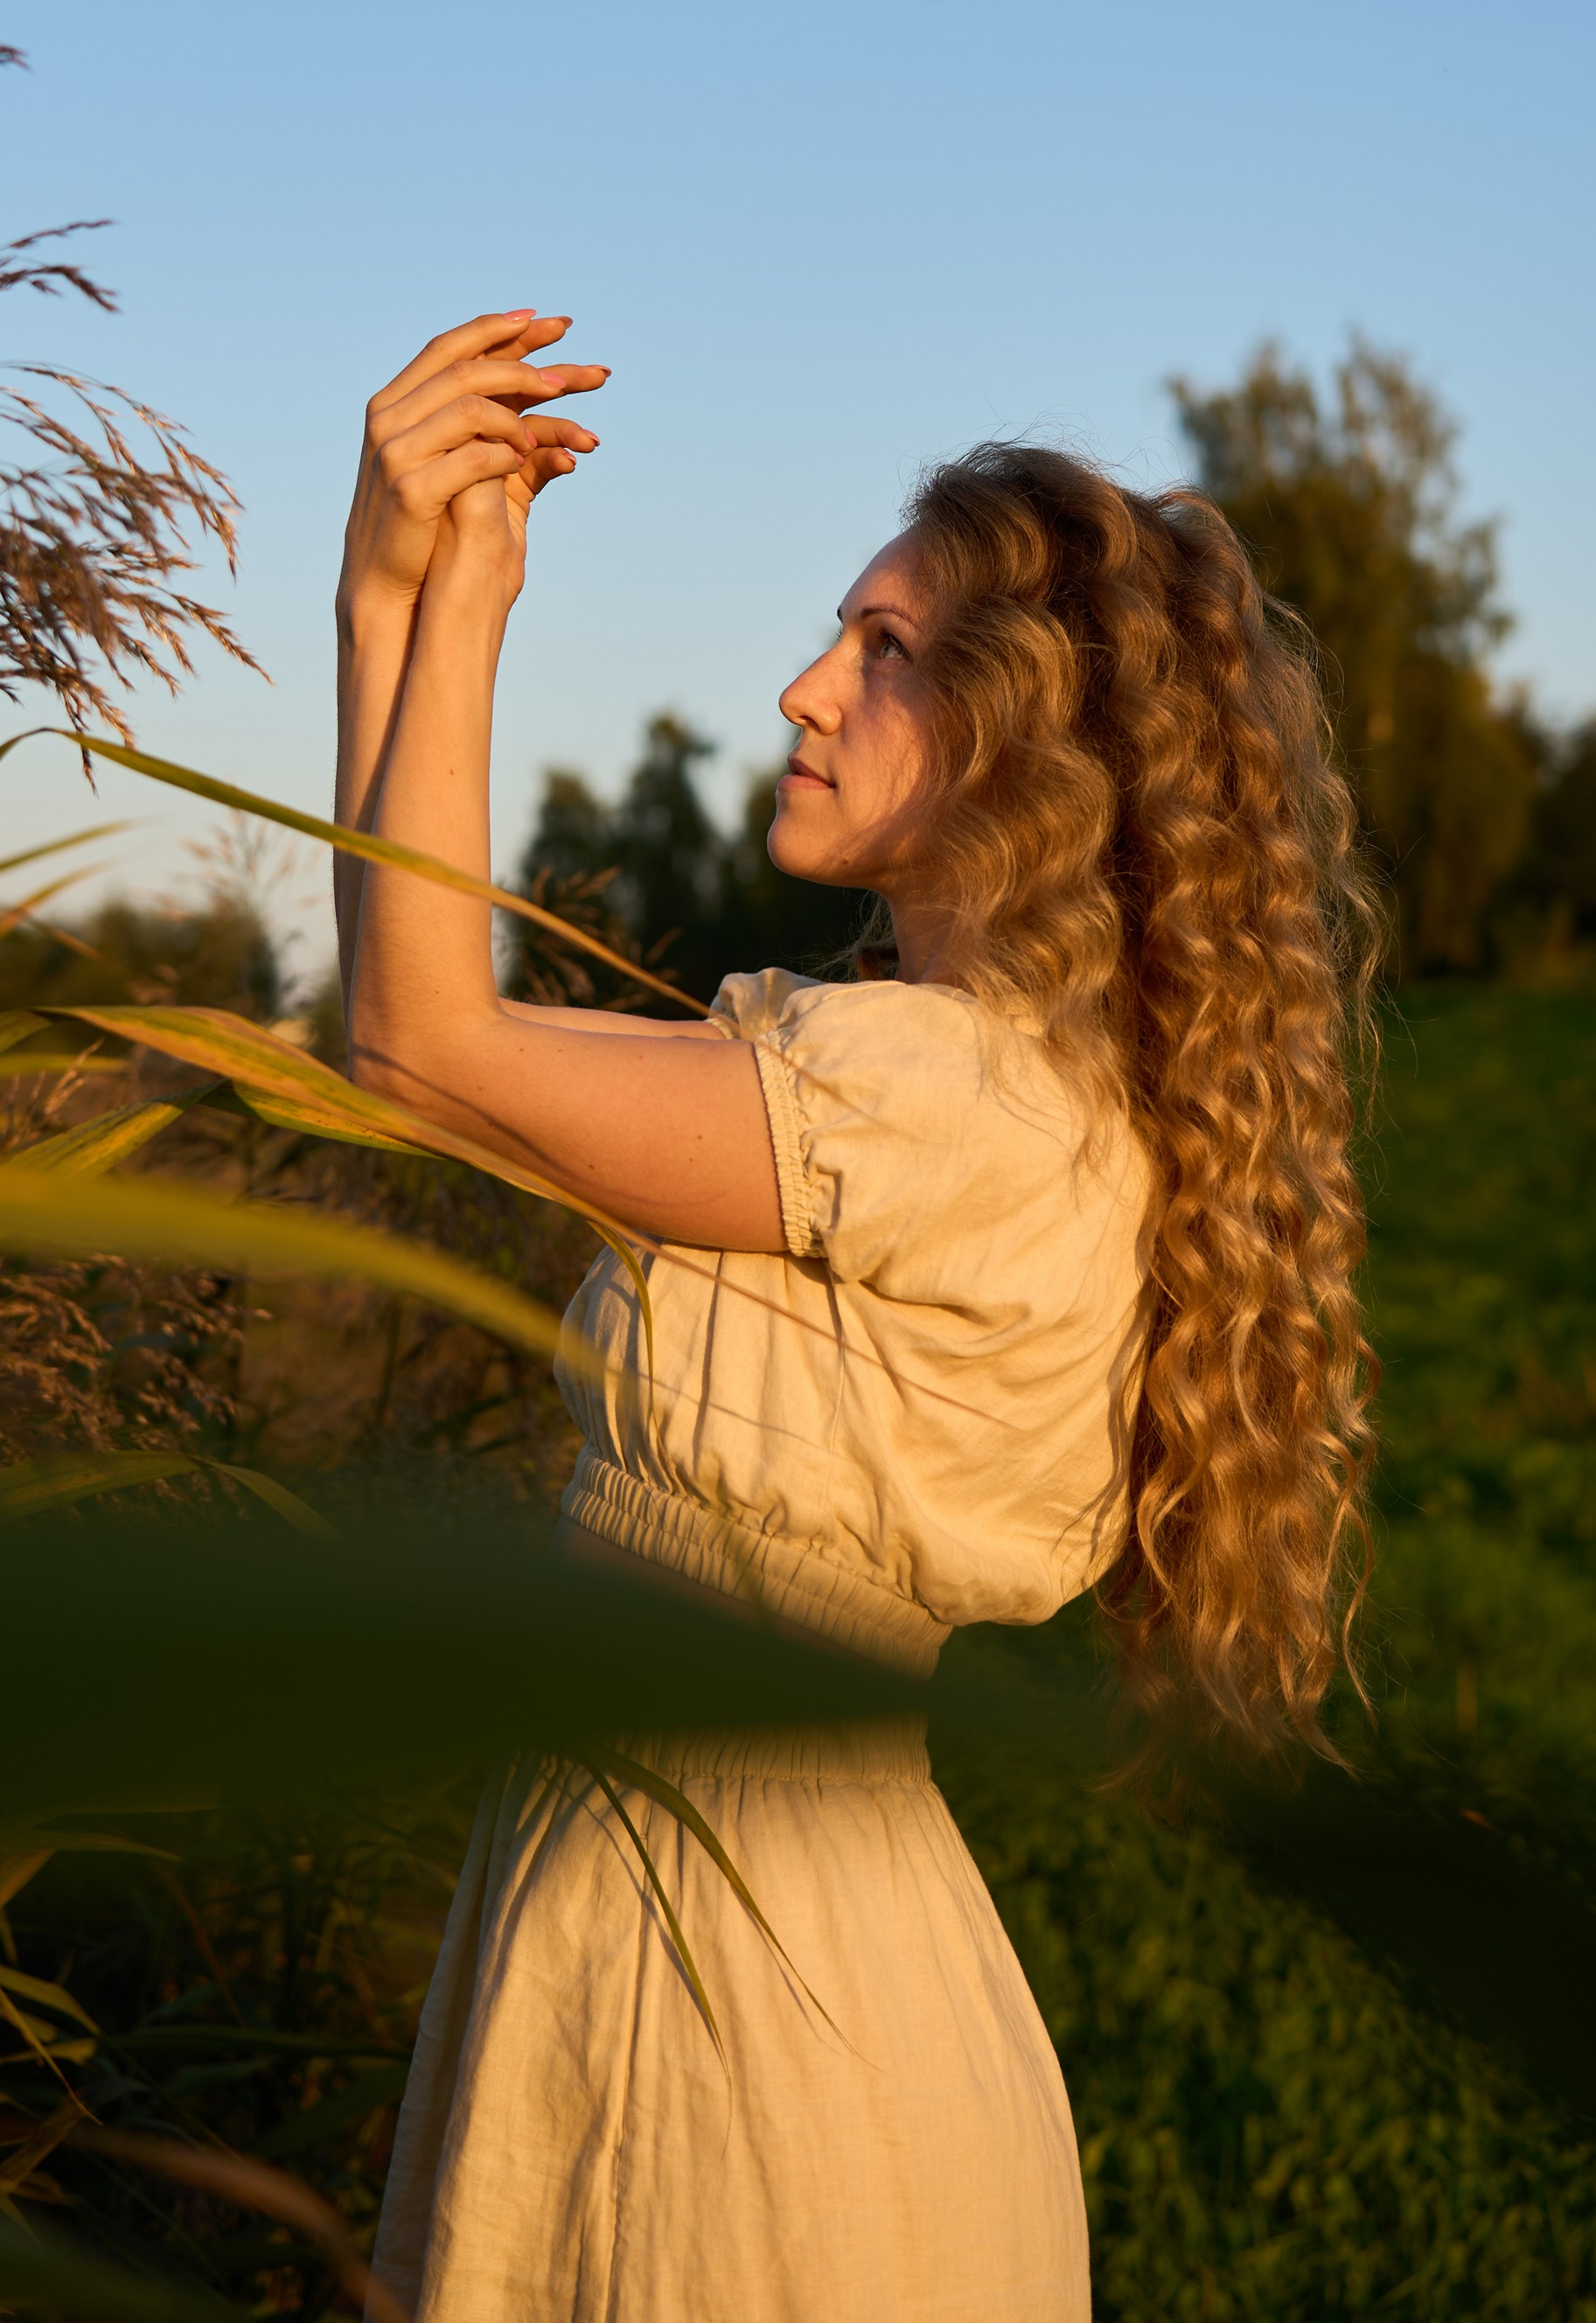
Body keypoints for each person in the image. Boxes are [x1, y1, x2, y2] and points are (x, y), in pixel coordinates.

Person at [337, 310, 1377, 2323]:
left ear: (1023, 738)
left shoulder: (942, 1106)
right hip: (757, 1923)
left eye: (882, 649)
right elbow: (419, 1052)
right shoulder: (964, 1092)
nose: (805, 690)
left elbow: (419, 1047)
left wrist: (438, 595)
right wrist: (391, 593)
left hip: (732, 1995)